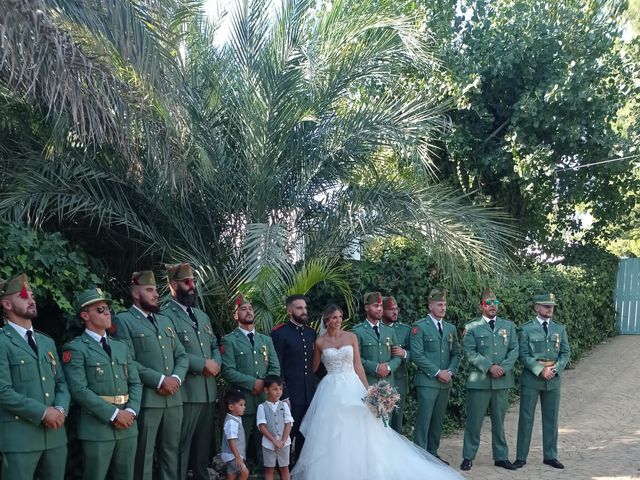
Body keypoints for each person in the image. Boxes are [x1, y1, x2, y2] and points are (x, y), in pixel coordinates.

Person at [290, 304, 463, 480]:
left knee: (364, 427)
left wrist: (369, 391)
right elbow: (313, 368)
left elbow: (358, 366)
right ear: (326, 320)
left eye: (340, 317)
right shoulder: (319, 342)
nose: (338, 321)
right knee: (332, 430)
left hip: (352, 384)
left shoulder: (351, 337)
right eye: (334, 317)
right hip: (330, 389)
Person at [112, 270, 189, 480]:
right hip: (148, 399)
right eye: (149, 290)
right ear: (136, 294)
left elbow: (182, 355)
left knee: (171, 453)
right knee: (143, 455)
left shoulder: (165, 321)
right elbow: (128, 362)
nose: (156, 294)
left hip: (174, 399)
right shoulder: (123, 321)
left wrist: (176, 379)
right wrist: (161, 380)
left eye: (155, 289)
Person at [62, 288, 142, 480]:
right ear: (85, 315)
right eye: (100, 309)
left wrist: (130, 412)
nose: (107, 313)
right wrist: (114, 414)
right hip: (97, 428)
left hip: (128, 425)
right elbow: (79, 390)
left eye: (107, 309)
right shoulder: (76, 348)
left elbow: (135, 383)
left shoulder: (120, 346)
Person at [0, 274, 70, 480]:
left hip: (55, 437)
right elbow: (3, 391)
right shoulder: (2, 342)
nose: (31, 300)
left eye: (32, 296)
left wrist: (60, 409)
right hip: (20, 439)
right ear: (6, 304)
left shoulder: (46, 342)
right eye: (23, 296)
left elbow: (61, 383)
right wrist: (42, 412)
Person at [161, 262, 222, 480]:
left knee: (202, 451)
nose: (191, 285)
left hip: (208, 392)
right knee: (181, 448)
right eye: (186, 282)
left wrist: (216, 362)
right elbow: (171, 351)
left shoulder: (201, 315)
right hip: (186, 393)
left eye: (193, 281)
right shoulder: (165, 315)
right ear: (172, 285)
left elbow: (215, 344)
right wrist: (202, 364)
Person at [460, 288, 518, 471]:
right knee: (474, 422)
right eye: (488, 303)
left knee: (499, 422)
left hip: (501, 381)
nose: (493, 306)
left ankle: (501, 457)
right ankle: (468, 456)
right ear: (481, 306)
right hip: (480, 382)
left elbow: (514, 350)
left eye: (495, 303)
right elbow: (470, 352)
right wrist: (489, 367)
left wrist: (503, 368)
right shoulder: (472, 327)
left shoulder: (508, 326)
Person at [221, 294, 280, 466]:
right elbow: (228, 371)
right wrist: (252, 383)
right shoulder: (229, 340)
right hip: (242, 402)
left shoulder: (266, 340)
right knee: (239, 448)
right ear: (235, 315)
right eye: (243, 309)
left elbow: (275, 367)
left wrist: (264, 384)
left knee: (266, 447)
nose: (248, 312)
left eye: (250, 308)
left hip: (264, 402)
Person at [515, 293, 570, 470]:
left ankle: (550, 456)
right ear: (537, 307)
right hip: (532, 378)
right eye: (546, 306)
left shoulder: (559, 329)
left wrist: (555, 369)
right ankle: (521, 457)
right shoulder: (526, 329)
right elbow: (523, 354)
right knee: (526, 418)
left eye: (552, 306)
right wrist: (540, 370)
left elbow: (565, 353)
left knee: (551, 419)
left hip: (553, 379)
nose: (549, 309)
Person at [409, 288, 460, 464]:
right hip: (428, 382)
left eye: (445, 305)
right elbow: (417, 355)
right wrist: (438, 372)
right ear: (430, 306)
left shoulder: (450, 328)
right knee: (424, 420)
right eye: (439, 304)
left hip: (445, 382)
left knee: (438, 420)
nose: (443, 308)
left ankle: (433, 453)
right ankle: (420, 456)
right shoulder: (419, 327)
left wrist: (450, 372)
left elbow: (456, 354)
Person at [270, 294, 316, 462]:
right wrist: (284, 394)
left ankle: (300, 469)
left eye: (305, 308)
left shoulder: (311, 333)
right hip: (290, 395)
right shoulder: (280, 334)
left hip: (309, 393)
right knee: (287, 436)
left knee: (306, 435)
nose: (304, 311)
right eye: (299, 308)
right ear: (290, 311)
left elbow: (314, 366)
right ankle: (285, 471)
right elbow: (277, 367)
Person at [352, 291, 401, 388]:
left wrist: (388, 367)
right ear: (366, 308)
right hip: (367, 384)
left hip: (388, 385)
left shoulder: (390, 331)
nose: (379, 309)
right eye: (375, 306)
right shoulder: (358, 331)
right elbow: (355, 358)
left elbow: (397, 356)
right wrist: (376, 367)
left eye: (381, 306)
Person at [381, 295, 411, 433]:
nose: (395, 312)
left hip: (399, 381)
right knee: (380, 423)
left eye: (397, 309)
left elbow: (415, 353)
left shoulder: (405, 329)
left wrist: (404, 353)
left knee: (396, 425)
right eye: (391, 309)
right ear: (382, 310)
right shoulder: (376, 328)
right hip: (379, 382)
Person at [256, 375, 293, 480]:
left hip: (284, 444)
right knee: (269, 470)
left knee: (285, 468)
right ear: (266, 390)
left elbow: (288, 423)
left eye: (280, 389)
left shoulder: (284, 405)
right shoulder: (262, 407)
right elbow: (262, 426)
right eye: (275, 389)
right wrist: (274, 441)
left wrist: (283, 441)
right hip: (268, 444)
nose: (279, 392)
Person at [221, 390, 249, 480]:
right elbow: (231, 441)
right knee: (245, 472)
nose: (244, 407)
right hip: (233, 456)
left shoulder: (234, 419)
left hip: (232, 455)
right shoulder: (231, 422)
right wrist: (238, 457)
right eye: (241, 405)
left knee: (231, 474)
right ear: (231, 407)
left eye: (244, 405)